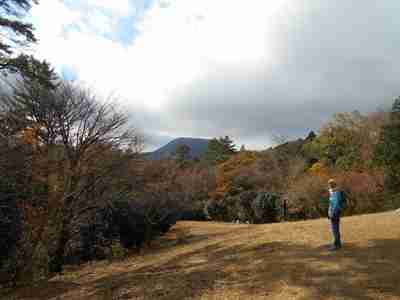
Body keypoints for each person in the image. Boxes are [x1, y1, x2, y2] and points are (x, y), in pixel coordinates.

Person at [327, 179, 343, 250]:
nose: (329, 186)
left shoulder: (335, 192)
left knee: (335, 229)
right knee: (335, 228)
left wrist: (332, 213)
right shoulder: (334, 192)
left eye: (330, 184)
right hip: (335, 212)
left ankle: (336, 245)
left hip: (335, 213)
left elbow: (335, 204)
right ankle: (338, 243)